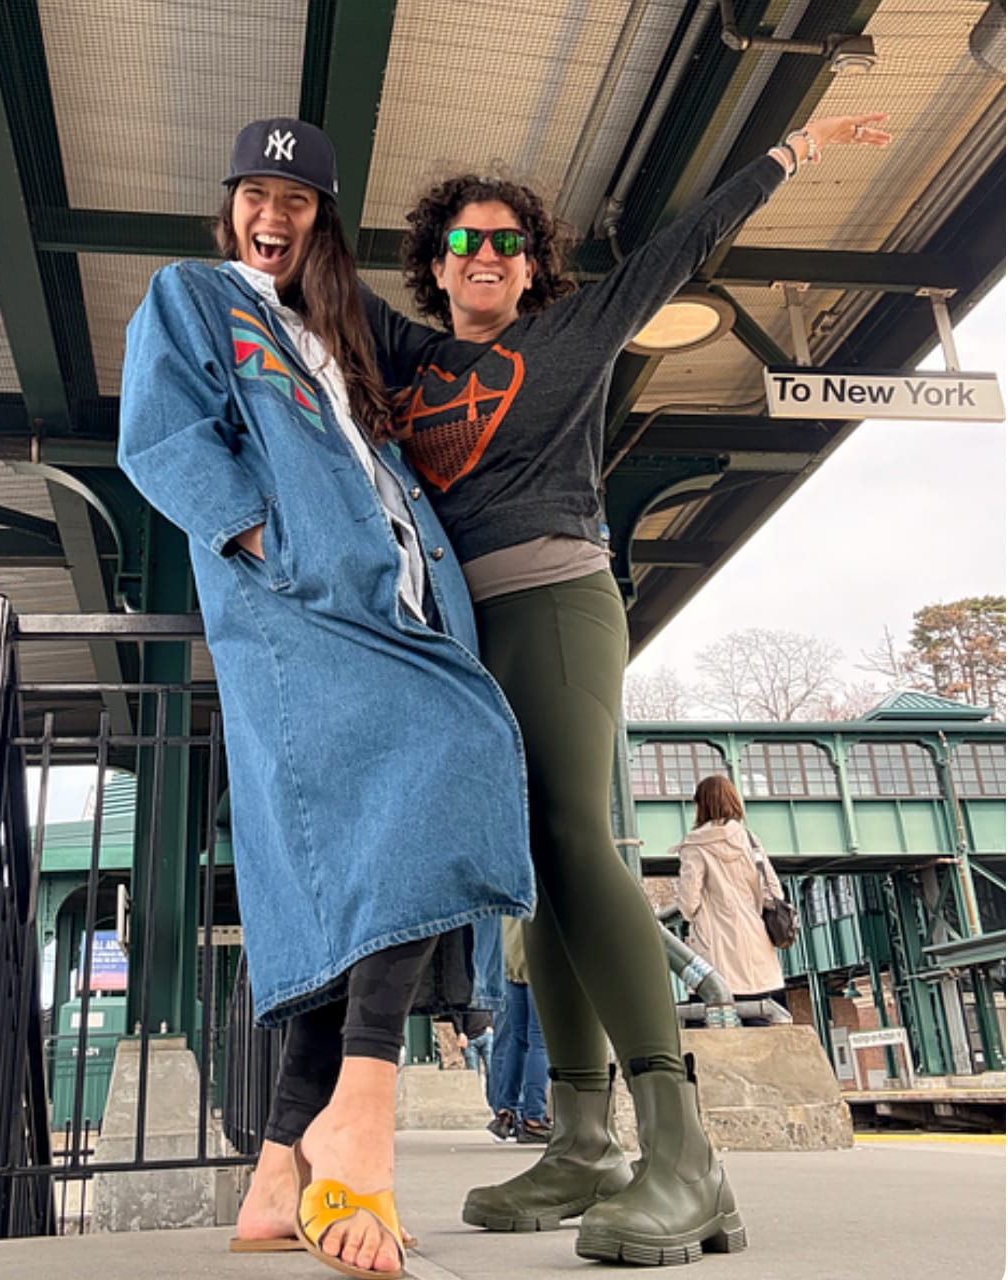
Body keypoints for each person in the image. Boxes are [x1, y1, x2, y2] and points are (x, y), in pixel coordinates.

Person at [363, 113, 890, 1265]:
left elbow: (674, 250)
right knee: (532, 870)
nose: (486, 255)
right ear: (436, 261)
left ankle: (683, 1153)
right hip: (461, 627)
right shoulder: (410, 360)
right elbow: (298, 290)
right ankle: (586, 1135)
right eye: (464, 241)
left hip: (555, 599)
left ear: (532, 262)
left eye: (506, 241)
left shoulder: (575, 329)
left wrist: (786, 155)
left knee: (573, 836)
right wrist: (266, 212)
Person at [117, 116, 534, 1279]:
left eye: (295, 200)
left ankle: (276, 1162)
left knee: (355, 863)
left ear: (322, 219)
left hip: (396, 600)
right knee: (456, 748)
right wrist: (268, 539)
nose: (273, 214)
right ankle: (363, 1104)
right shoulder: (196, 295)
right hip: (300, 602)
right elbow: (160, 437)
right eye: (256, 192)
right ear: (229, 205)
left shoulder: (335, 329)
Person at [674, 775, 787, 1024]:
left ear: (701, 805)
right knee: (758, 1017)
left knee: (712, 1018)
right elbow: (774, 892)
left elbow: (688, 902)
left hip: (713, 944)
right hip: (753, 939)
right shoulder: (749, 840)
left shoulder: (695, 845)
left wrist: (697, 915)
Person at [486, 918, 552, 1144]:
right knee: (539, 1041)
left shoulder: (513, 887)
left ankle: (506, 1112)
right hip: (539, 964)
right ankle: (534, 1118)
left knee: (518, 1039)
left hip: (512, 965)